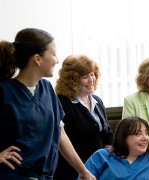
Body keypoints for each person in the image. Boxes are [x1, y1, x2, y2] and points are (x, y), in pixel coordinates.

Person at [0, 28, 95, 180]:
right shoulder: (4, 91)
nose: (57, 60)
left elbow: (60, 133)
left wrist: (83, 172)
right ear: (37, 59)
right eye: (54, 54)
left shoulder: (47, 89)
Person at [54, 54, 114, 179]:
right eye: (85, 77)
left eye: (92, 74)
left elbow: (107, 134)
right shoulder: (62, 103)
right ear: (72, 81)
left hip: (98, 168)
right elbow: (63, 142)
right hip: (73, 171)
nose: (91, 79)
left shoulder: (97, 101)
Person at [81, 117, 149, 179]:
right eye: (138, 134)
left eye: (146, 133)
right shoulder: (101, 156)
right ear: (124, 138)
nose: (145, 138)